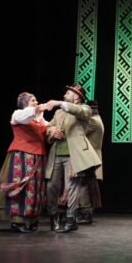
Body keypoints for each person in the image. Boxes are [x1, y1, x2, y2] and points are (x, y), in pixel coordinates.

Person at [44, 84, 102, 233]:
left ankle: (71, 220)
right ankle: (53, 216)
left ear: (76, 96)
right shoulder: (59, 113)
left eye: (67, 93)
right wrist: (53, 132)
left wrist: (58, 102)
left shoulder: (85, 109)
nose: (64, 95)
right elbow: (48, 127)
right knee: (51, 187)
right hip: (56, 155)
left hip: (73, 156)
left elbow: (77, 110)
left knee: (72, 188)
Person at [0, 92, 49, 233]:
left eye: (36, 100)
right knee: (21, 187)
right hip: (22, 155)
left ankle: (33, 219)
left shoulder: (39, 119)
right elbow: (26, 116)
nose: (36, 102)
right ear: (25, 103)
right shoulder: (18, 114)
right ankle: (17, 221)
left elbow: (50, 127)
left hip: (39, 156)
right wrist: (38, 109)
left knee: (37, 189)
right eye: (33, 100)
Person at [76, 99, 104, 224]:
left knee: (84, 185)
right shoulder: (97, 118)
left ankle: (85, 213)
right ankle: (87, 212)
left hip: (89, 157)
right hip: (92, 156)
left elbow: (79, 133)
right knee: (89, 184)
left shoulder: (92, 120)